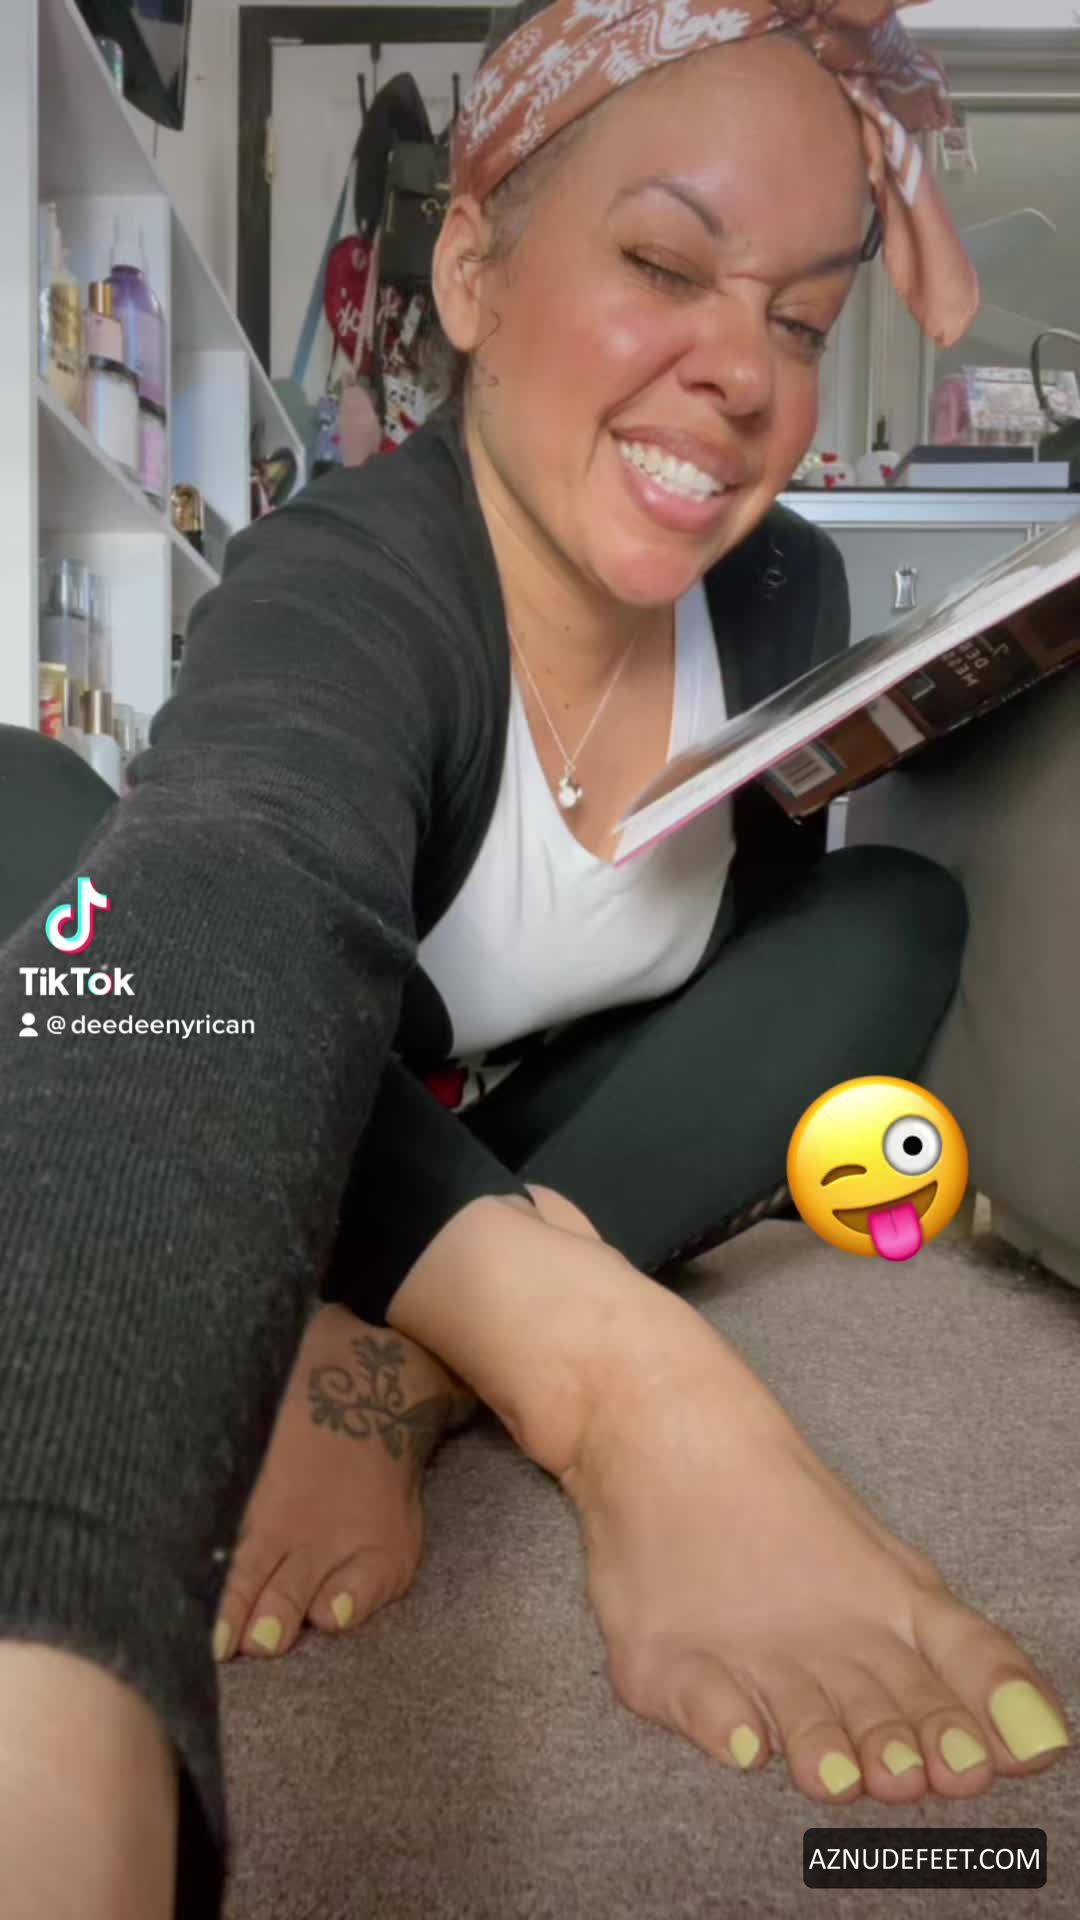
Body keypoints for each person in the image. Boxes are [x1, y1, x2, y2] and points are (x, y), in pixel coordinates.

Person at [0, 3, 1070, 1916]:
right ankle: (558, 1339)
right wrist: (628, 1373)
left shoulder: (786, 586)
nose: (742, 374)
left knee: (890, 923)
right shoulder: (349, 573)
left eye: (804, 319)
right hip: (305, 1108)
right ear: (477, 269)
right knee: (33, 832)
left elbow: (750, 977)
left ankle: (410, 1356)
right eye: (663, 264)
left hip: (521, 1137)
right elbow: (235, 890)